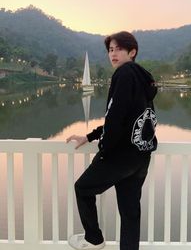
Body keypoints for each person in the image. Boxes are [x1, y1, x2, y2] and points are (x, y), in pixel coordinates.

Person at [66, 31, 158, 250]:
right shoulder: (142, 79)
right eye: (110, 50)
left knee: (82, 188)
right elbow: (129, 117)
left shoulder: (124, 74)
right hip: (140, 156)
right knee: (129, 212)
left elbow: (115, 117)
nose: (113, 54)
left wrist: (104, 148)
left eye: (118, 49)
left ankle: (94, 239)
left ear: (132, 52)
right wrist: (90, 135)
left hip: (120, 154)